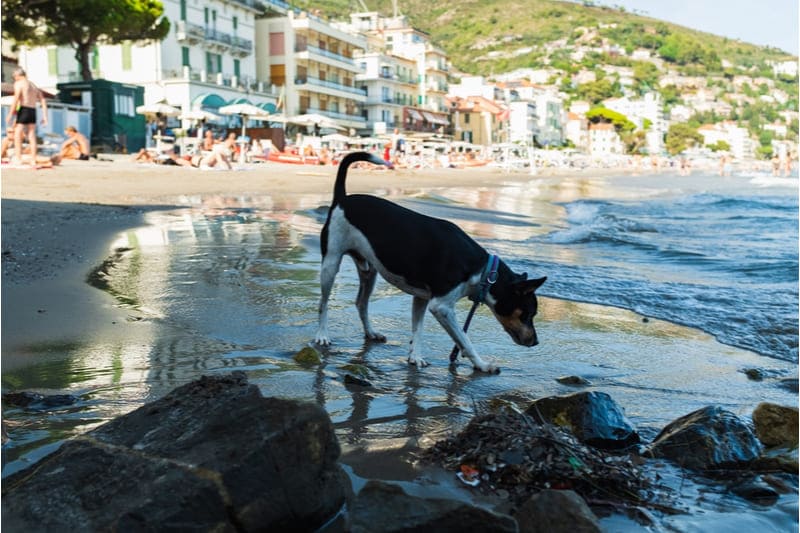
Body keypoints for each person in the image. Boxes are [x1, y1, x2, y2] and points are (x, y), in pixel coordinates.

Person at [6, 67, 48, 167]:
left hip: (24, 108)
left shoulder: (19, 84)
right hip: (33, 110)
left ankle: (18, 158)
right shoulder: (33, 85)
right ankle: (33, 159)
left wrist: (10, 114)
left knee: (17, 134)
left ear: (17, 75)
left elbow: (16, 99)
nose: (14, 79)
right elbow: (43, 100)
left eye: (14, 77)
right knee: (32, 135)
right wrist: (45, 116)